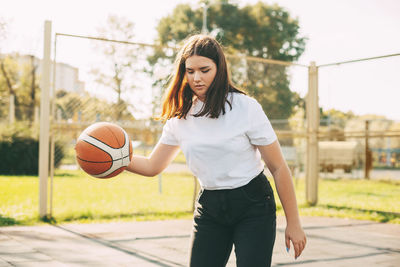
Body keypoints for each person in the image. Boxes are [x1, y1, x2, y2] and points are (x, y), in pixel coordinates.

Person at [126, 34, 306, 267]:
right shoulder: (180, 117)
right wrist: (116, 160)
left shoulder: (245, 107)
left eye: (204, 70)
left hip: (252, 204)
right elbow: (152, 166)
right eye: (190, 71)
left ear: (219, 69)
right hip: (210, 207)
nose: (196, 78)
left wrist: (294, 222)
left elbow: (278, 167)